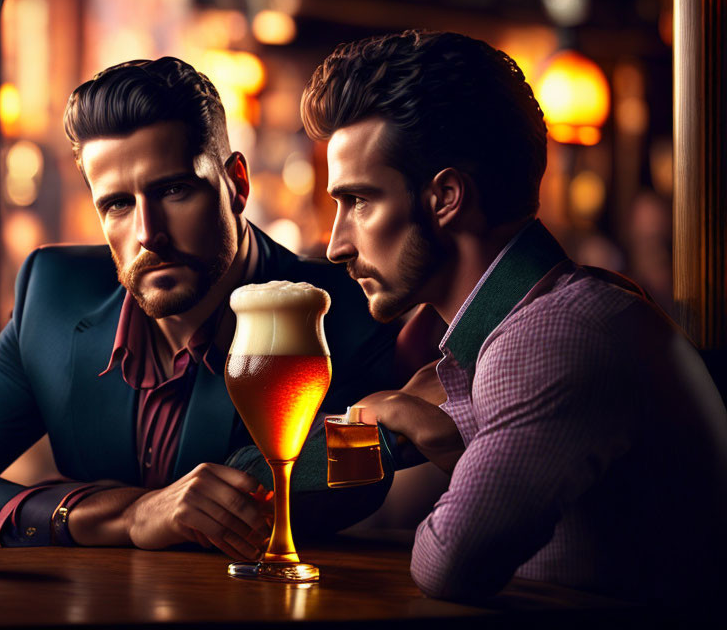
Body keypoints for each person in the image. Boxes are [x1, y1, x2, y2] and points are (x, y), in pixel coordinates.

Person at [0, 57, 396, 556]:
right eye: (117, 204)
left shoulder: (343, 310)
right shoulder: (52, 294)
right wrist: (111, 515)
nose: (147, 234)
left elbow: (345, 482)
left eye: (174, 190)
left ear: (236, 185)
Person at [300, 30, 727, 604]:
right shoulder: (537, 320)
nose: (335, 245)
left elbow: (449, 565)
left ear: (446, 197)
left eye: (359, 201)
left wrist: (448, 440)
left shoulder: (553, 335)